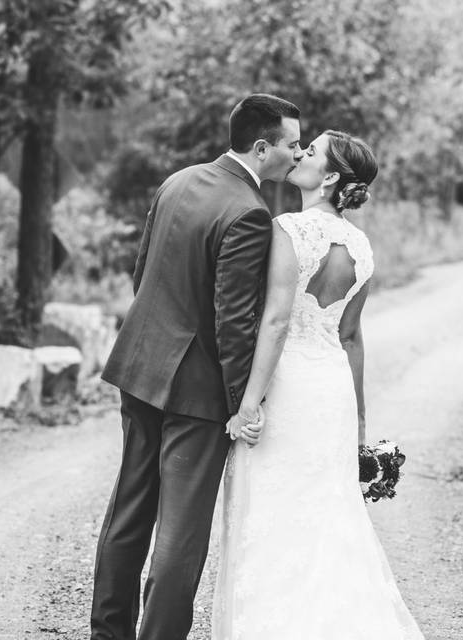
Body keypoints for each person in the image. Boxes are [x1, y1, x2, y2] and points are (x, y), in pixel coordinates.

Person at [91, 93, 302, 640]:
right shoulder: (251, 213)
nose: (297, 156)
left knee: (128, 515)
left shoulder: (177, 181)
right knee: (180, 537)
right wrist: (242, 405)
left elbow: (143, 276)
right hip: (195, 392)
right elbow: (233, 322)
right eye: (292, 145)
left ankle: (106, 634)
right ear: (262, 147)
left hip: (140, 367)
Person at [211, 130, 426, 638]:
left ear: (329, 177)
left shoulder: (288, 229)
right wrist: (358, 423)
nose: (301, 153)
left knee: (272, 516)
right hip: (330, 392)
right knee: (329, 517)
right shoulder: (361, 247)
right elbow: (350, 337)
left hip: (289, 388)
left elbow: (276, 323)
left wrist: (248, 404)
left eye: (312, 152)